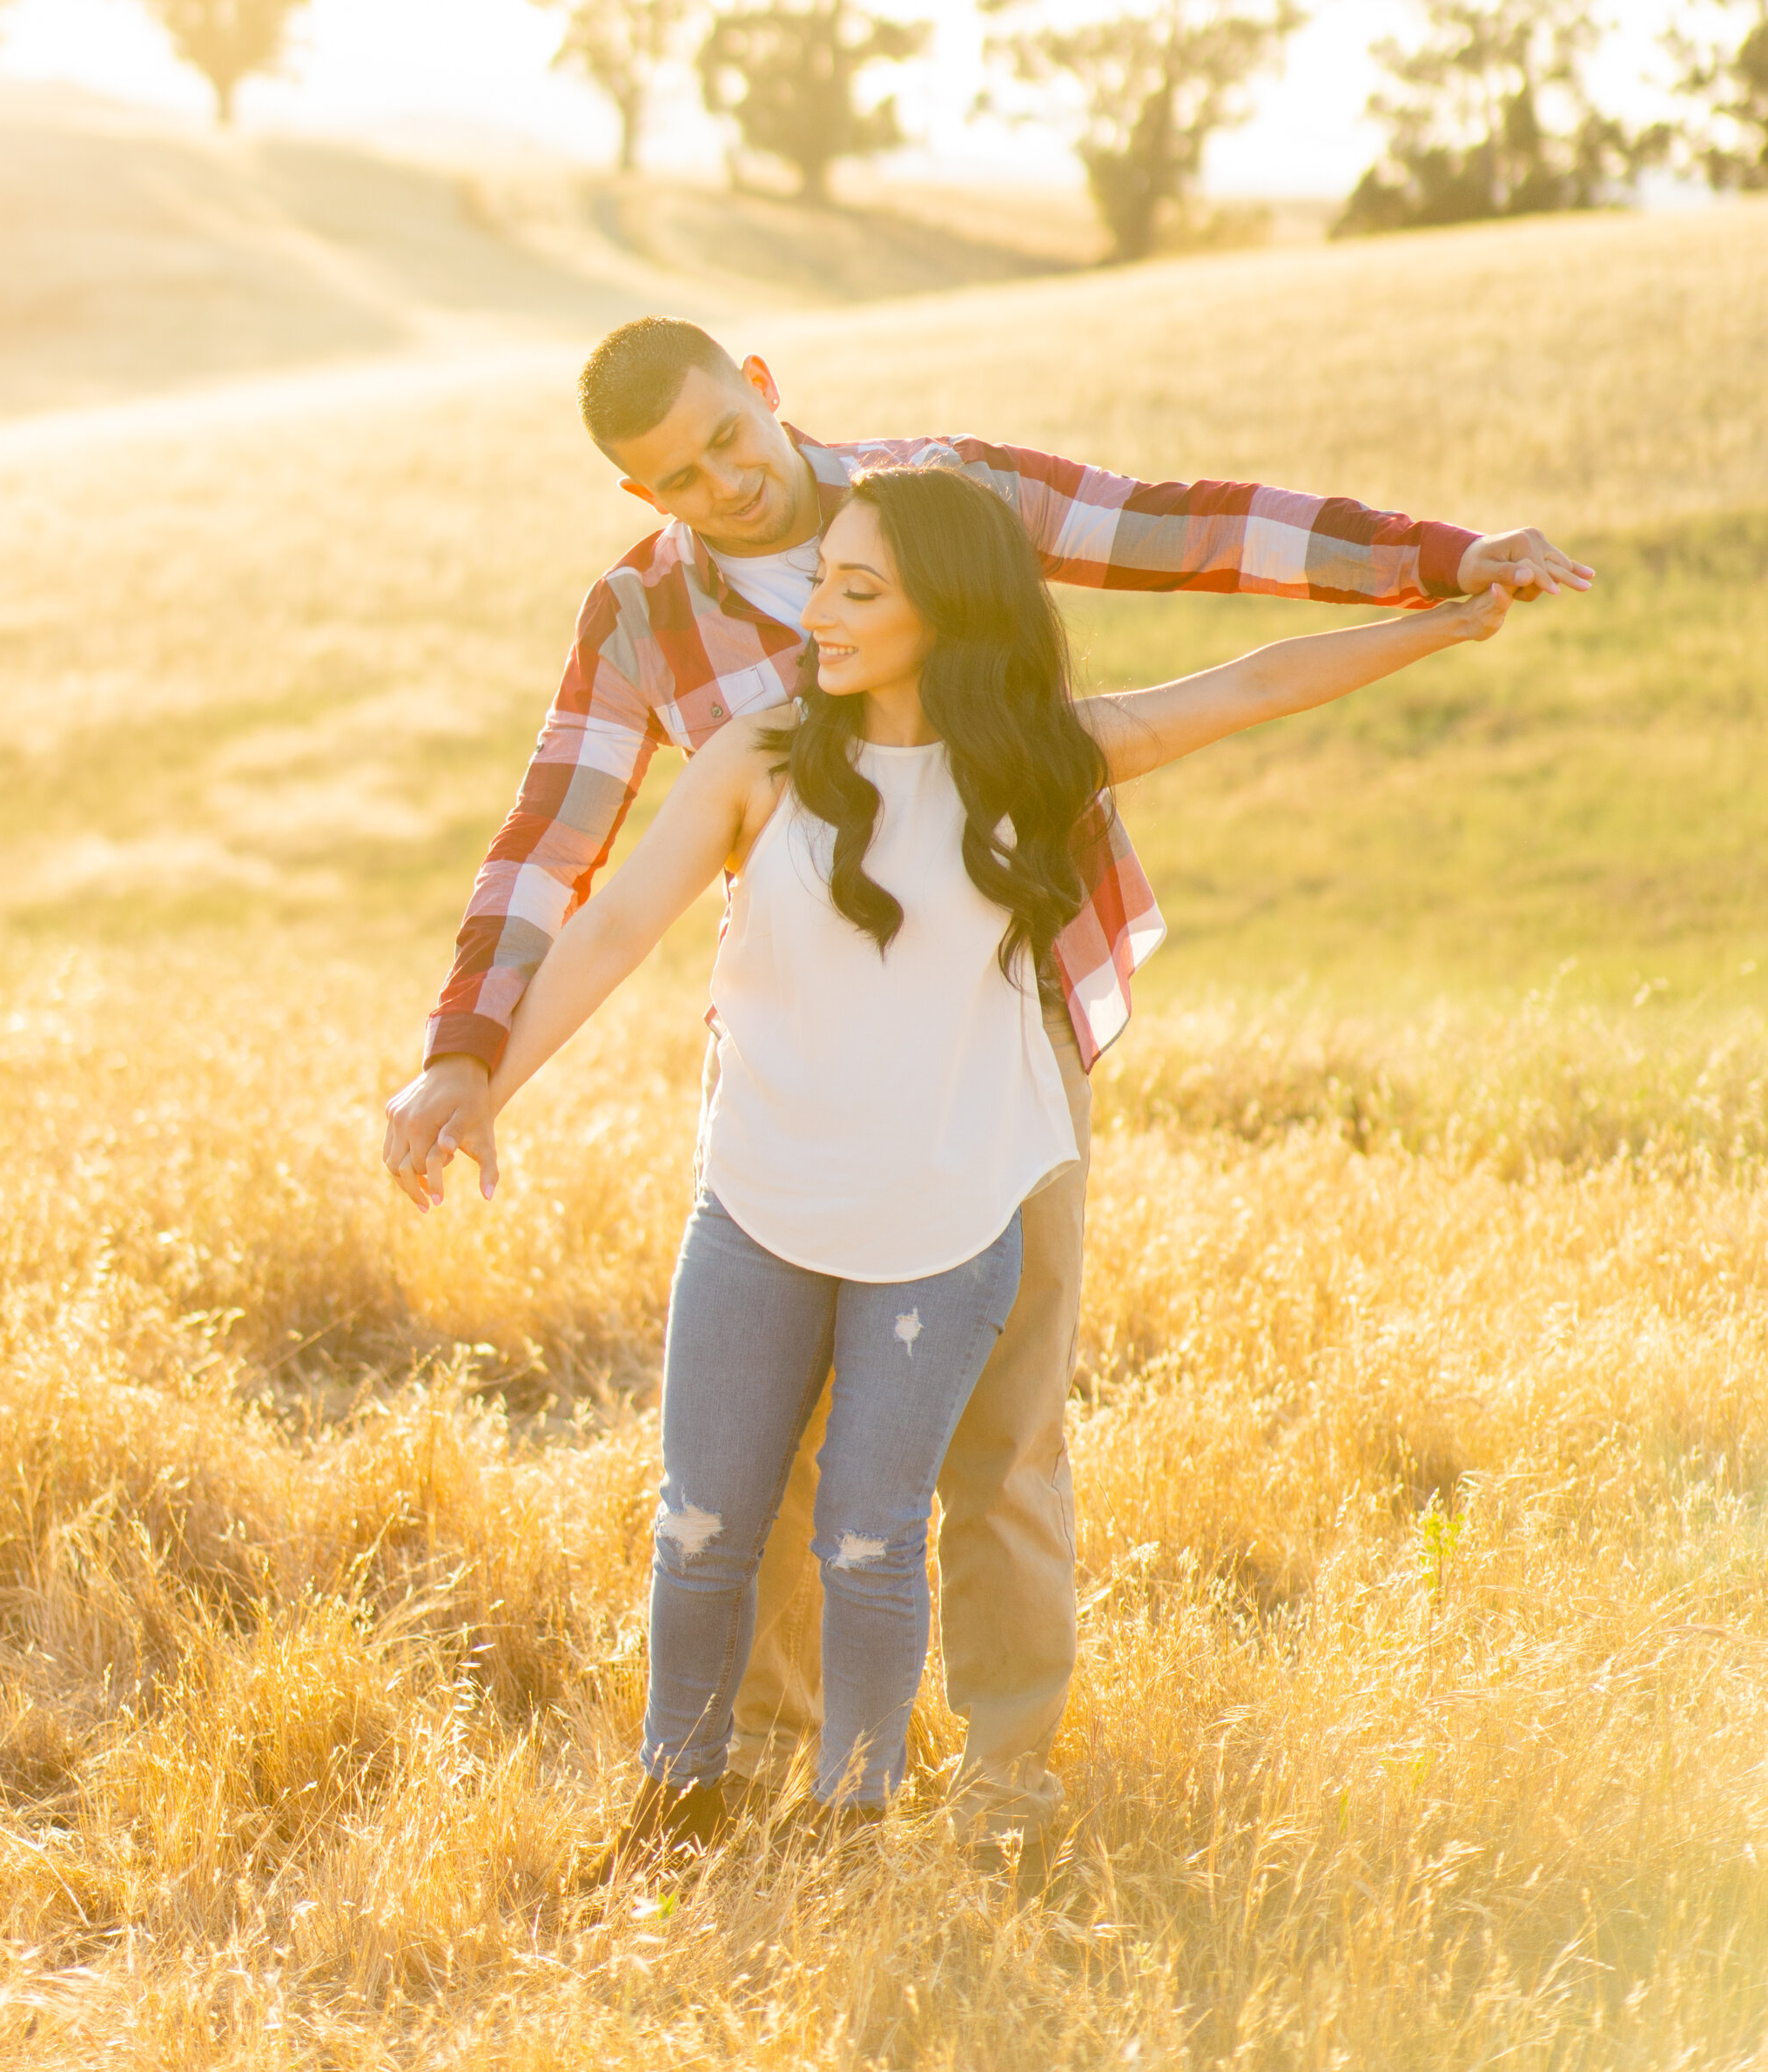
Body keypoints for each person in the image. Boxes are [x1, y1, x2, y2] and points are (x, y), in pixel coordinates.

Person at [382, 317, 1590, 1847]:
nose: (721, 490)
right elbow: (564, 856)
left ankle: (1008, 1775)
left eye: (726, 444)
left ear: (763, 387)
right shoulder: (646, 622)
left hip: (999, 1064)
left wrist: (1434, 566)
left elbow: (1187, 537)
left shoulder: (953, 504)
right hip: (800, 1094)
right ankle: (757, 1774)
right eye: (673, 483)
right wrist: (465, 1057)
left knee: (1000, 1441)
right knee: (761, 1452)